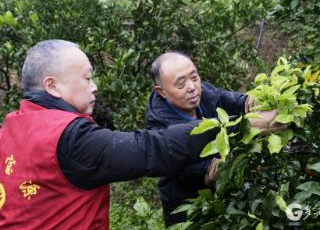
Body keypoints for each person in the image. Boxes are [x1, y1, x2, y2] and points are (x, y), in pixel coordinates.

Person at [0, 40, 282, 229]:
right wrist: (240, 126)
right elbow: (152, 148)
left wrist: (251, 104)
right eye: (87, 78)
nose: (95, 86)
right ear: (53, 86)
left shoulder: (11, 126)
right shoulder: (69, 137)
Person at [144, 52, 276, 226]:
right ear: (161, 92)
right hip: (187, 202)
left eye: (194, 77)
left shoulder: (198, 91)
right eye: (181, 84)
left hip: (222, 197)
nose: (192, 87)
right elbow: (180, 168)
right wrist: (209, 169)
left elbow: (224, 99)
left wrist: (249, 102)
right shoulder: (160, 125)